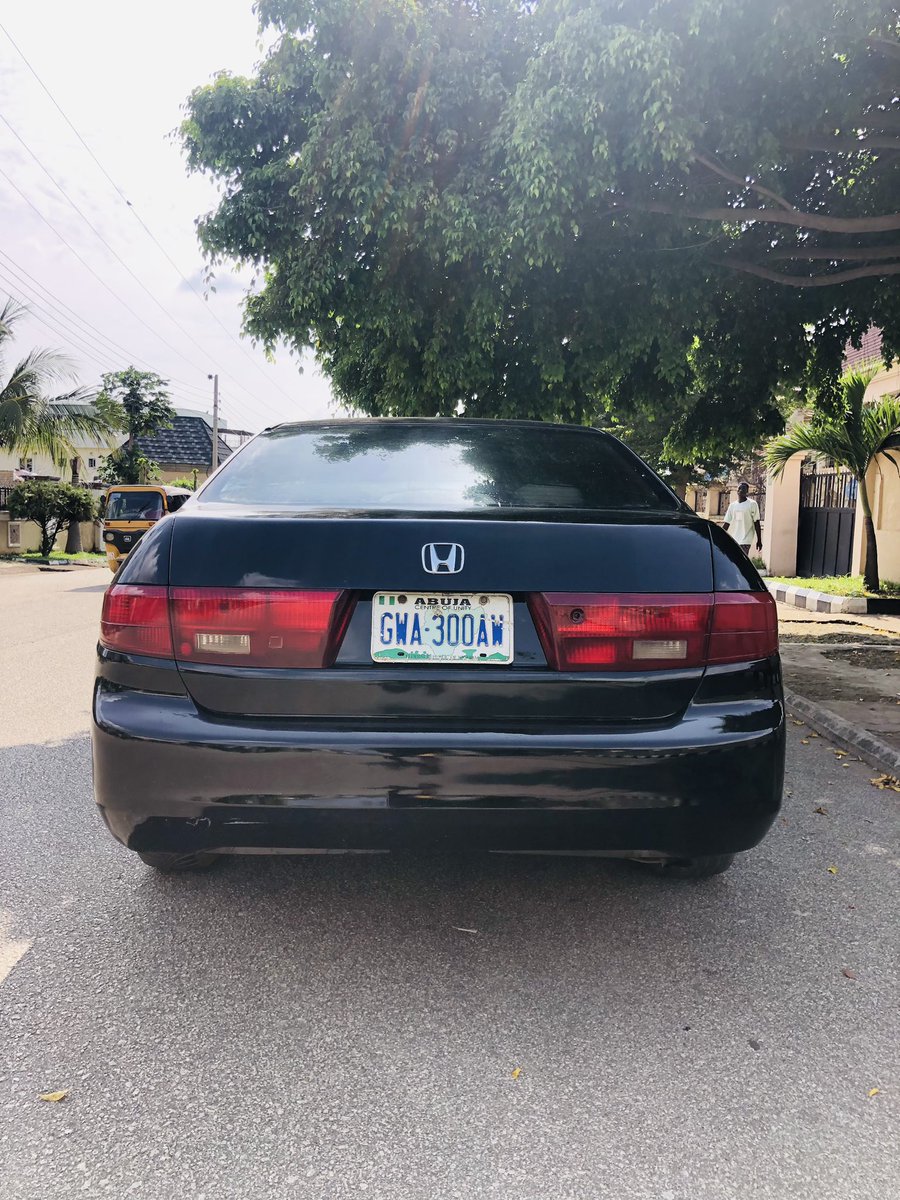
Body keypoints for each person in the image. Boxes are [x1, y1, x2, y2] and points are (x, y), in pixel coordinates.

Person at [722, 482, 762, 556]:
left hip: (746, 539)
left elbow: (756, 523)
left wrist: (759, 540)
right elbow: (726, 523)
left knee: (742, 559)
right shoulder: (732, 505)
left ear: (747, 491)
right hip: (734, 539)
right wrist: (719, 536)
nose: (741, 490)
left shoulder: (752, 504)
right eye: (739, 488)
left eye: (743, 489)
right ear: (737, 490)